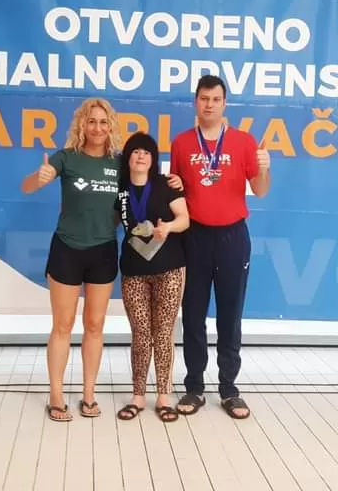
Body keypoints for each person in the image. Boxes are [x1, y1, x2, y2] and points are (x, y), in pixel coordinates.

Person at [21, 97, 183, 422]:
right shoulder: (66, 157)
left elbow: (145, 179)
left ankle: (89, 394)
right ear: (82, 124)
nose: (97, 128)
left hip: (103, 252)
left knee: (95, 326)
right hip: (67, 249)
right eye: (91, 121)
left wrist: (173, 180)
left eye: (103, 122)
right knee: (63, 325)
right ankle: (56, 395)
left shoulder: (119, 164)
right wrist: (38, 177)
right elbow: (27, 187)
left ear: (111, 127)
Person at [169, 75, 271, 420]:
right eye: (204, 98)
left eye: (215, 99)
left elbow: (260, 190)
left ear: (224, 103)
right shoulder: (182, 143)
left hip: (232, 238)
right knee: (193, 313)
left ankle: (229, 388)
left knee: (230, 313)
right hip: (194, 236)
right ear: (195, 102)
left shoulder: (244, 142)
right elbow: (175, 191)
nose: (209, 104)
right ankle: (194, 386)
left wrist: (264, 169)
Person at [113, 131, 190, 423]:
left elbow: (185, 219)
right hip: (134, 271)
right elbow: (108, 220)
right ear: (128, 158)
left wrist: (167, 228)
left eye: (147, 152)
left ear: (153, 159)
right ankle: (137, 395)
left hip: (169, 270)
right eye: (136, 151)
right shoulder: (119, 189)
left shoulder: (166, 184)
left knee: (163, 333)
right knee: (141, 333)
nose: (141, 156)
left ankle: (163, 396)